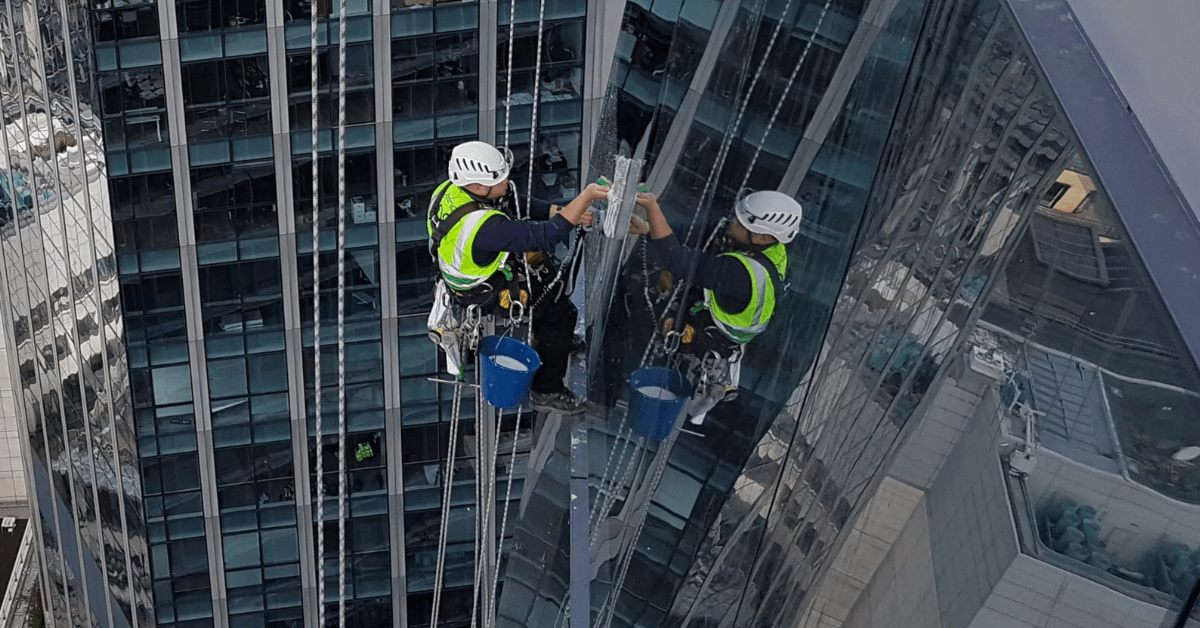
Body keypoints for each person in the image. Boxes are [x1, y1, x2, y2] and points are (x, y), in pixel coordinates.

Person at [427, 141, 607, 413]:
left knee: (545, 275)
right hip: (485, 288)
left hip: (468, 271)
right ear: (476, 187)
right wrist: (586, 197)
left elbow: (512, 200)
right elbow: (547, 235)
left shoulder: (449, 190)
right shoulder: (483, 227)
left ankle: (555, 340)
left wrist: (560, 213)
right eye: (498, 179)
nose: (507, 182)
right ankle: (547, 391)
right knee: (560, 314)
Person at [624, 189, 802, 420]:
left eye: (741, 222)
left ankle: (602, 397)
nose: (733, 222)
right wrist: (650, 228)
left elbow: (678, 262)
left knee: (627, 315)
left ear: (763, 238)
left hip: (705, 336)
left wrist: (651, 207)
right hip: (719, 327)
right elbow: (700, 237)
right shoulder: (776, 251)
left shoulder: (740, 275)